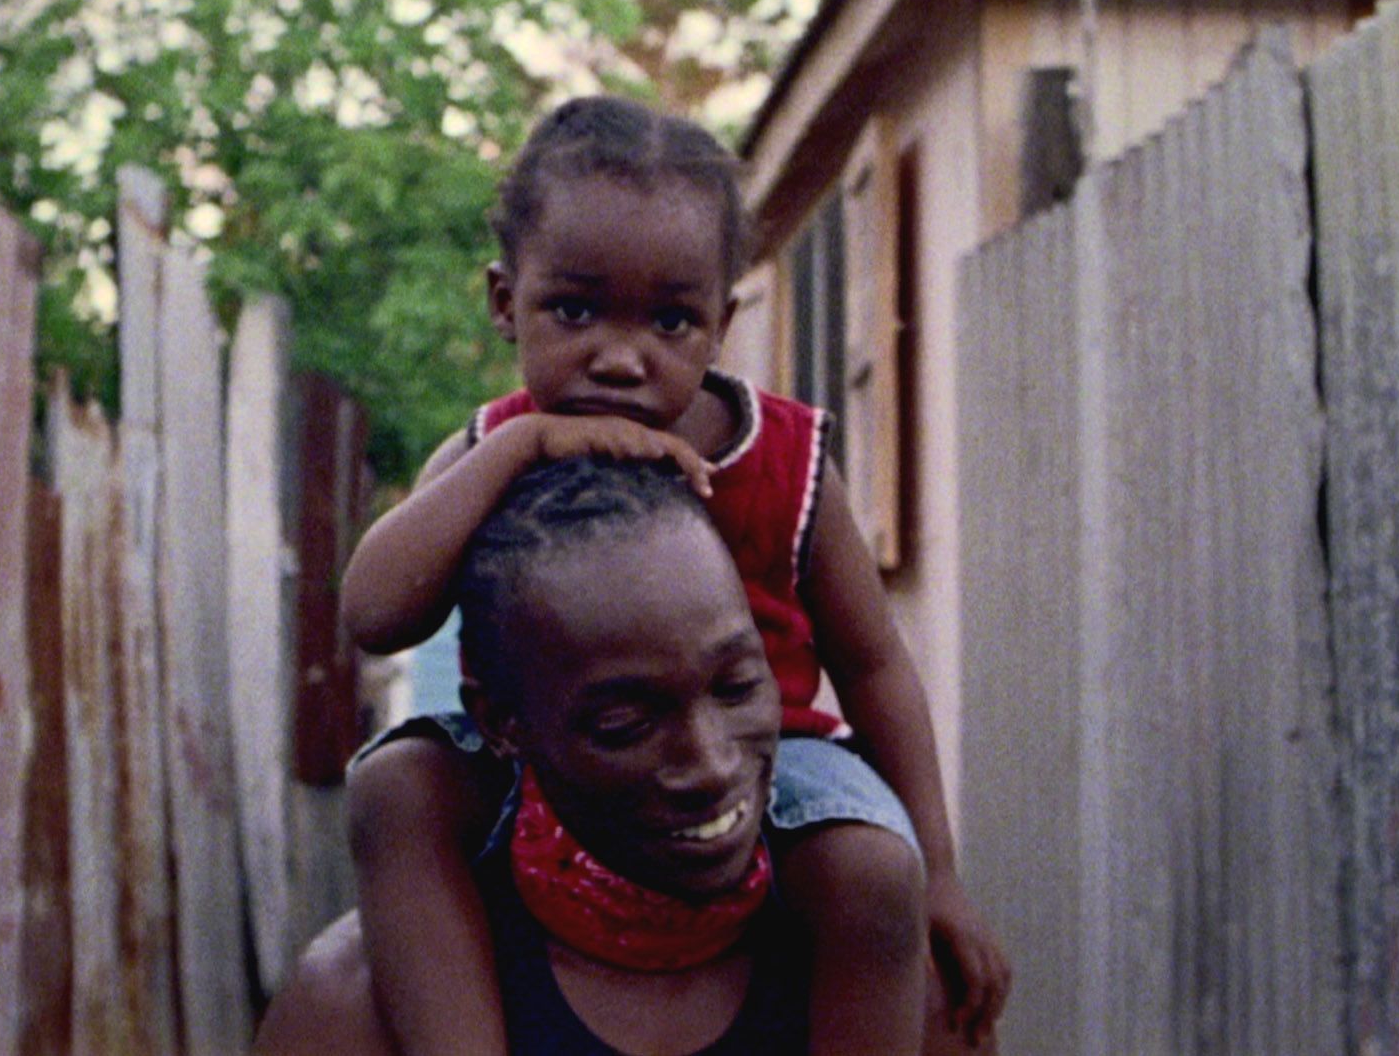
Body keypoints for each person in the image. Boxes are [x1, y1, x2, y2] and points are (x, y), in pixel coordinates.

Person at [340, 96, 1010, 1055]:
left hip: (769, 754)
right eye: (573, 310)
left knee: (872, 874)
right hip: (549, 754)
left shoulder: (781, 458)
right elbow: (373, 610)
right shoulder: (497, 444)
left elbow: (873, 664)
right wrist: (522, 447)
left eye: (670, 320)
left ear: (721, 322)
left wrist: (939, 869)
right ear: (503, 302)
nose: (619, 356)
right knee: (394, 786)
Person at [259, 457, 811, 1054]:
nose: (711, 763)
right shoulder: (356, 1006)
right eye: (623, 725)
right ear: (502, 724)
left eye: (737, 687)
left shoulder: (859, 965)